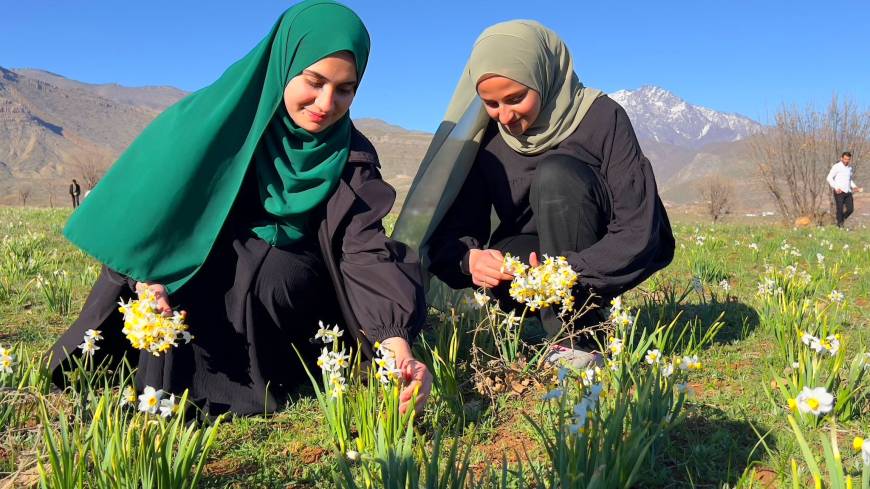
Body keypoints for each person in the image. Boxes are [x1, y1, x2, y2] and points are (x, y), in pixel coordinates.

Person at [48, 0, 431, 416]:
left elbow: (363, 250)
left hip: (292, 278)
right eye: (314, 81)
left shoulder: (350, 155)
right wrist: (149, 279)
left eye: (344, 89)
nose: (325, 103)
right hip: (200, 250)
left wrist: (395, 343)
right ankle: (156, 386)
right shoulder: (216, 121)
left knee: (270, 274)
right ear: (283, 65)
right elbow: (158, 207)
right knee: (184, 279)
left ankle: (245, 387)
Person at [393, 20, 674, 368]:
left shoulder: (601, 117)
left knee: (557, 173)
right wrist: (471, 261)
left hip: (598, 254)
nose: (506, 116)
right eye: (491, 104)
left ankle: (578, 339)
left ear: (544, 76)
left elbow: (637, 228)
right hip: (532, 265)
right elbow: (451, 235)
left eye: (516, 99)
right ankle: (567, 333)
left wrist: (569, 272)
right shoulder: (489, 139)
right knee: (505, 253)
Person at [826, 151, 863, 227]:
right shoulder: (836, 166)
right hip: (839, 191)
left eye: (848, 159)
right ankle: (840, 226)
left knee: (850, 209)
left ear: (850, 159)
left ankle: (840, 220)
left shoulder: (849, 168)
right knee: (840, 209)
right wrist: (836, 187)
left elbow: (849, 180)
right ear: (841, 158)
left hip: (848, 191)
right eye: (845, 159)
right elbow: (829, 178)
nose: (846, 161)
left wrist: (855, 187)